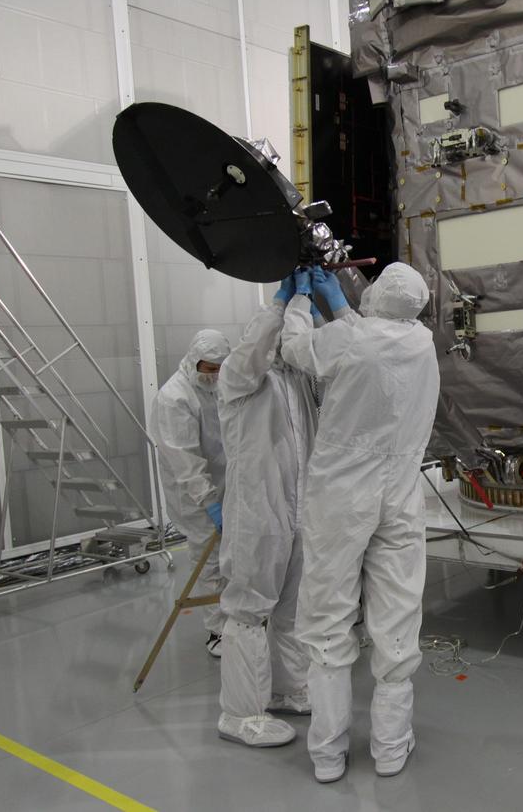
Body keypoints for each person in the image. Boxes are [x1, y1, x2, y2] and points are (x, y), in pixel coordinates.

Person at [280, 262, 439, 782]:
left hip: (341, 500)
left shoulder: (348, 338)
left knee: (328, 620)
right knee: (397, 617)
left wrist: (301, 300)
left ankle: (327, 755)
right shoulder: (422, 342)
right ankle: (391, 748)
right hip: (399, 496)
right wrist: (343, 307)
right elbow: (372, 340)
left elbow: (296, 350)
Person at [215, 274, 318, 747]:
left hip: (297, 512)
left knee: (293, 610)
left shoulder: (294, 381)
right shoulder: (240, 379)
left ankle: (288, 689)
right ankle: (241, 713)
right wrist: (284, 301)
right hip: (257, 513)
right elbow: (254, 348)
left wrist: (309, 308)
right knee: (249, 610)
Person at [150, 329, 231, 656]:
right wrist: (211, 504)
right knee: (209, 561)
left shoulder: (217, 387)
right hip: (195, 496)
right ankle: (218, 631)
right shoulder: (175, 398)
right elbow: (186, 461)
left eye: (219, 368)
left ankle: (238, 620)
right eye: (208, 368)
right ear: (193, 361)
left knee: (233, 561)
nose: (213, 375)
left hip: (225, 485)